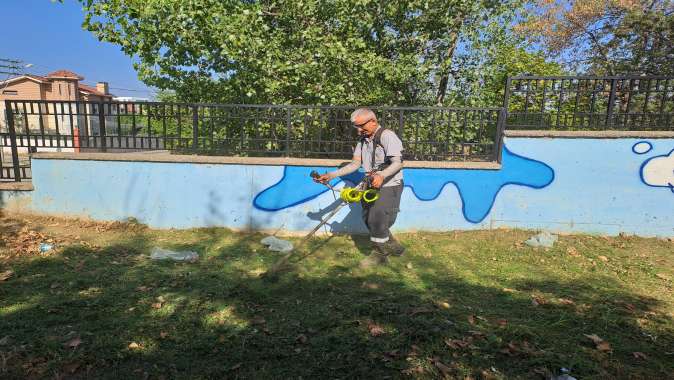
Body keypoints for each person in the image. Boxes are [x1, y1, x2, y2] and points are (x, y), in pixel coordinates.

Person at [315, 108, 405, 266]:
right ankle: (393, 245)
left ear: (373, 121)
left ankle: (379, 255)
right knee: (367, 218)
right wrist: (331, 175)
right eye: (356, 127)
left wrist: (381, 175)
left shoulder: (387, 136)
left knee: (376, 217)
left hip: (389, 184)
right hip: (370, 183)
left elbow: (398, 163)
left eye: (360, 126)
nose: (358, 131)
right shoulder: (362, 141)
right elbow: (356, 164)